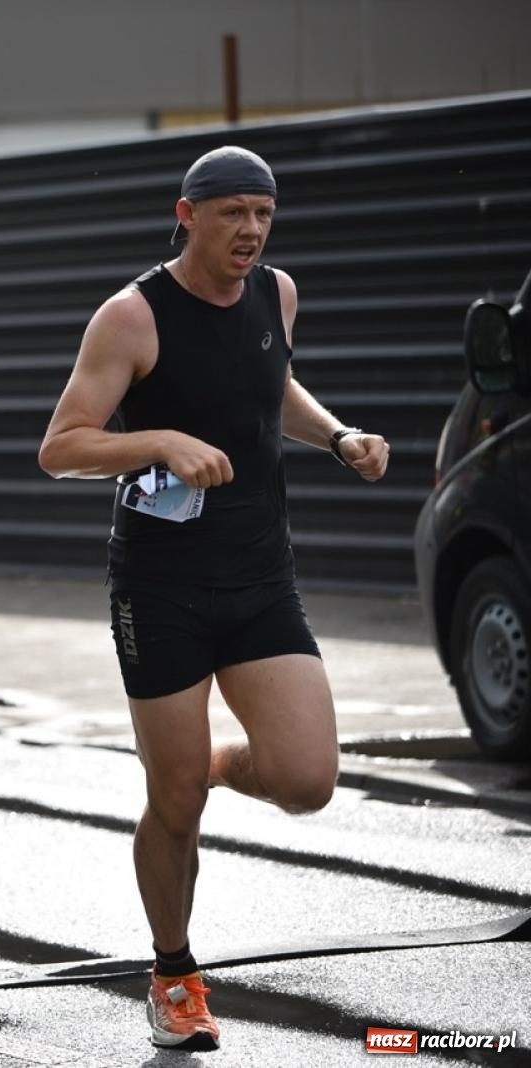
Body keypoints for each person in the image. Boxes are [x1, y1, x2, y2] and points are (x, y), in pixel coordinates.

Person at [37, 146, 390, 1052]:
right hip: (159, 587)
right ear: (186, 215)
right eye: (232, 212)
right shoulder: (132, 316)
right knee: (174, 801)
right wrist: (159, 440)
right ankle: (174, 974)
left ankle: (219, 764)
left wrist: (337, 436)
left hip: (260, 573)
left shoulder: (278, 294)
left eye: (263, 213)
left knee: (306, 780)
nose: (251, 230)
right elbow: (63, 446)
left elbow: (271, 387)